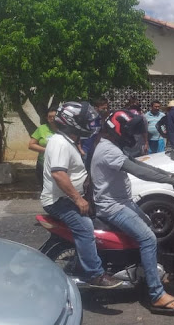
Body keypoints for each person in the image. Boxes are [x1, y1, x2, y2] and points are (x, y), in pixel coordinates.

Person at [91, 110, 174, 312]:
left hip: (122, 202)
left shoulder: (110, 146)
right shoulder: (108, 150)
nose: (133, 136)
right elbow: (139, 171)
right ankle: (156, 294)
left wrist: (170, 174)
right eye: (130, 131)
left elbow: (136, 163)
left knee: (151, 227)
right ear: (118, 130)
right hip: (113, 206)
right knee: (148, 238)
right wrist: (171, 180)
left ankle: (146, 273)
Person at [40, 101, 122, 288]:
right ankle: (95, 274)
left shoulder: (68, 141)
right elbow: (58, 174)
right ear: (71, 122)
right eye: (85, 121)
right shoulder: (60, 143)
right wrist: (78, 199)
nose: (90, 124)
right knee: (85, 228)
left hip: (67, 197)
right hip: (59, 201)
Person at [28, 106, 58, 185]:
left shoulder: (65, 129)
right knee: (44, 188)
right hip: (43, 164)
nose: (52, 119)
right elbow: (31, 145)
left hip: (60, 164)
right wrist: (47, 150)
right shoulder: (42, 128)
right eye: (49, 117)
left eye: (54, 117)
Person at [80, 97, 109, 166]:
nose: (105, 110)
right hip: (84, 149)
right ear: (96, 108)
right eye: (103, 108)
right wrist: (80, 149)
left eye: (106, 108)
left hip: (94, 149)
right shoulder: (88, 118)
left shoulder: (101, 118)